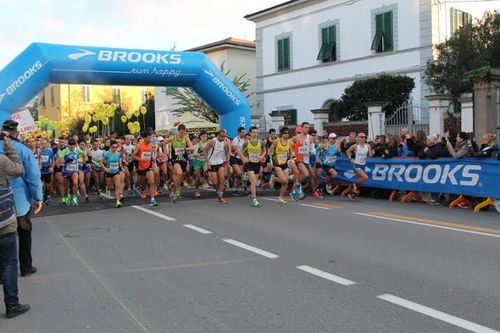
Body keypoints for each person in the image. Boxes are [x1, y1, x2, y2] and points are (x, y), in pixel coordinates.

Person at [0, 120, 43, 278]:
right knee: (24, 232)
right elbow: (32, 176)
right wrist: (38, 198)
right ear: (16, 133)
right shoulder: (23, 150)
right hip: (19, 199)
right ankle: (26, 266)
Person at [0, 132, 31, 318]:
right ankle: (12, 305)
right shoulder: (1, 159)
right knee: (10, 263)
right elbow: (20, 170)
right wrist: (9, 147)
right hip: (3, 220)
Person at [163, 124, 193, 202]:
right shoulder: (173, 138)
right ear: (178, 131)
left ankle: (175, 190)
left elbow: (192, 147)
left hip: (183, 159)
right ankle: (176, 190)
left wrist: (186, 148)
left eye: (184, 132)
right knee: (179, 173)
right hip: (175, 159)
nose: (182, 134)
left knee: (184, 173)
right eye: (181, 132)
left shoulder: (186, 138)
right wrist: (165, 153)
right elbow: (164, 143)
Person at [239, 126, 266, 207]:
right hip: (249, 163)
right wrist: (244, 158)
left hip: (257, 163)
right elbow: (240, 152)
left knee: (254, 182)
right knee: (254, 181)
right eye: (253, 132)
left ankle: (246, 180)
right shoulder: (246, 143)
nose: (255, 134)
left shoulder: (261, 142)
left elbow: (265, 151)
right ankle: (254, 199)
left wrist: (262, 156)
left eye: (256, 132)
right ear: (250, 133)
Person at [268, 127, 295, 203]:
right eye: (285, 133)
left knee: (286, 182)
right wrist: (271, 160)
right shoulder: (277, 141)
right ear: (281, 134)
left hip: (284, 163)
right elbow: (270, 150)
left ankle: (280, 198)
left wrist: (292, 155)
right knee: (283, 180)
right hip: (277, 164)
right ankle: (274, 179)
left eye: (288, 133)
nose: (287, 135)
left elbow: (291, 152)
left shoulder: (289, 142)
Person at [204, 129, 231, 204]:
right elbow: (204, 151)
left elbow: (227, 151)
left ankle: (220, 197)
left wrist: (227, 161)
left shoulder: (225, 142)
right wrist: (208, 163)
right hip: (212, 163)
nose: (223, 138)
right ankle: (207, 176)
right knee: (215, 183)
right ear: (218, 135)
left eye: (225, 136)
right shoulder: (212, 141)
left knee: (222, 179)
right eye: (222, 136)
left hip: (220, 162)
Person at [346, 132, 374, 201]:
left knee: (361, 180)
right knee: (365, 177)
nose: (363, 138)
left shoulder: (368, 146)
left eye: (364, 137)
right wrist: (350, 158)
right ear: (358, 138)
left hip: (363, 165)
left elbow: (370, 155)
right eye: (361, 137)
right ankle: (354, 185)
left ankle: (352, 193)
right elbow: (348, 151)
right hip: (356, 164)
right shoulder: (355, 146)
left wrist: (373, 151)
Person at [134, 131, 158, 206]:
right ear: (144, 138)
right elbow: (133, 156)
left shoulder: (151, 145)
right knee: (141, 181)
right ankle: (138, 188)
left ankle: (152, 199)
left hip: (148, 166)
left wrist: (153, 161)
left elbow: (151, 155)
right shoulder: (139, 146)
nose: (150, 139)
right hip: (140, 167)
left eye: (151, 138)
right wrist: (141, 159)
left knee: (151, 181)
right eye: (148, 138)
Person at [58, 139, 84, 205]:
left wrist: (81, 159)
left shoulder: (77, 150)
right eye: (70, 145)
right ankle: (66, 196)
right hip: (66, 171)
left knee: (75, 183)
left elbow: (85, 154)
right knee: (66, 187)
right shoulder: (65, 151)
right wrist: (66, 161)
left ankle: (74, 198)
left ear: (75, 145)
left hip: (74, 170)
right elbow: (58, 161)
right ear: (68, 145)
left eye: (73, 145)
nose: (72, 147)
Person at [101, 140, 124, 208]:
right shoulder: (106, 154)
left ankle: (117, 201)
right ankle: (108, 188)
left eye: (116, 147)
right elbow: (101, 163)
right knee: (110, 187)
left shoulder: (118, 154)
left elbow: (119, 162)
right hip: (109, 172)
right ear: (110, 147)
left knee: (117, 185)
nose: (115, 149)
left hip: (116, 171)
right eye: (113, 147)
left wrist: (121, 168)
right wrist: (105, 169)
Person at [230, 127, 246, 195]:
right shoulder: (235, 139)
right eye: (242, 132)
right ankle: (231, 177)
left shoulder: (244, 140)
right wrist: (238, 151)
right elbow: (234, 150)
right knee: (239, 173)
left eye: (244, 132)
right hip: (235, 158)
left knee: (241, 174)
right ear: (238, 132)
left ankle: (235, 188)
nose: (244, 133)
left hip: (241, 158)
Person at [193, 131, 209, 198]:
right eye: (203, 136)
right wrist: (201, 154)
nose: (205, 138)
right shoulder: (197, 144)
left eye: (206, 136)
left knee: (206, 172)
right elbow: (194, 154)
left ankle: (204, 180)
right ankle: (196, 189)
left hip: (204, 161)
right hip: (198, 162)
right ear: (200, 137)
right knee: (197, 178)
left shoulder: (208, 144)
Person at [39, 138, 55, 204]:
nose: (44, 145)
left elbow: (53, 160)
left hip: (47, 170)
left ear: (47, 144)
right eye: (42, 144)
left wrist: (52, 167)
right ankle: (41, 198)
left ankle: (46, 197)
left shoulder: (50, 151)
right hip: (40, 171)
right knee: (41, 185)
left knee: (48, 185)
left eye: (45, 144)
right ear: (40, 144)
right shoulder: (38, 151)